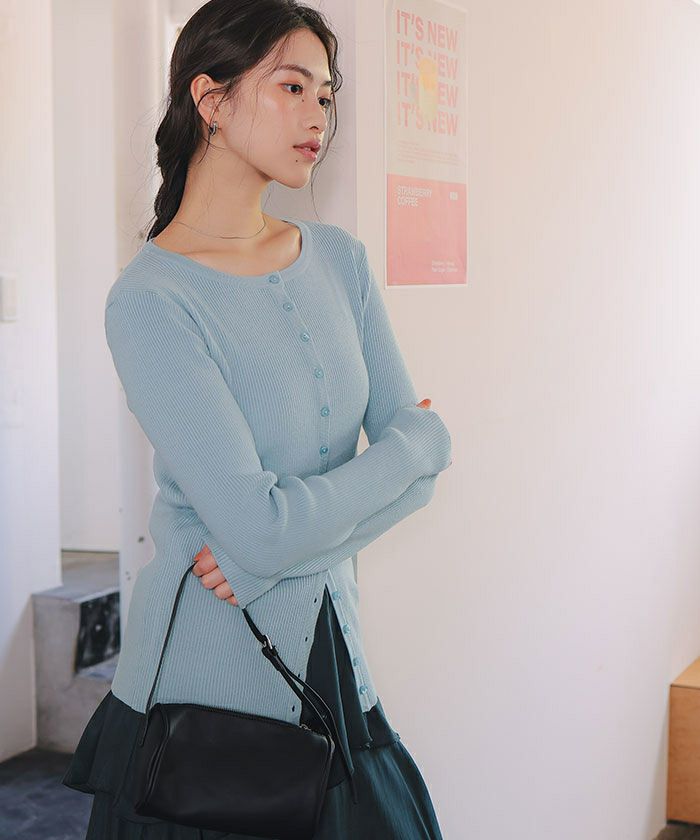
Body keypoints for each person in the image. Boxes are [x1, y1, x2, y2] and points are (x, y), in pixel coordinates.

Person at [62, 0, 453, 837]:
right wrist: (413, 445)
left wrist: (263, 558)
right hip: (203, 693)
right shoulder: (151, 301)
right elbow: (288, 514)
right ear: (210, 99)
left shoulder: (340, 261)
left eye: (326, 95)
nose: (318, 116)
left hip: (333, 652)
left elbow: (399, 486)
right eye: (292, 87)